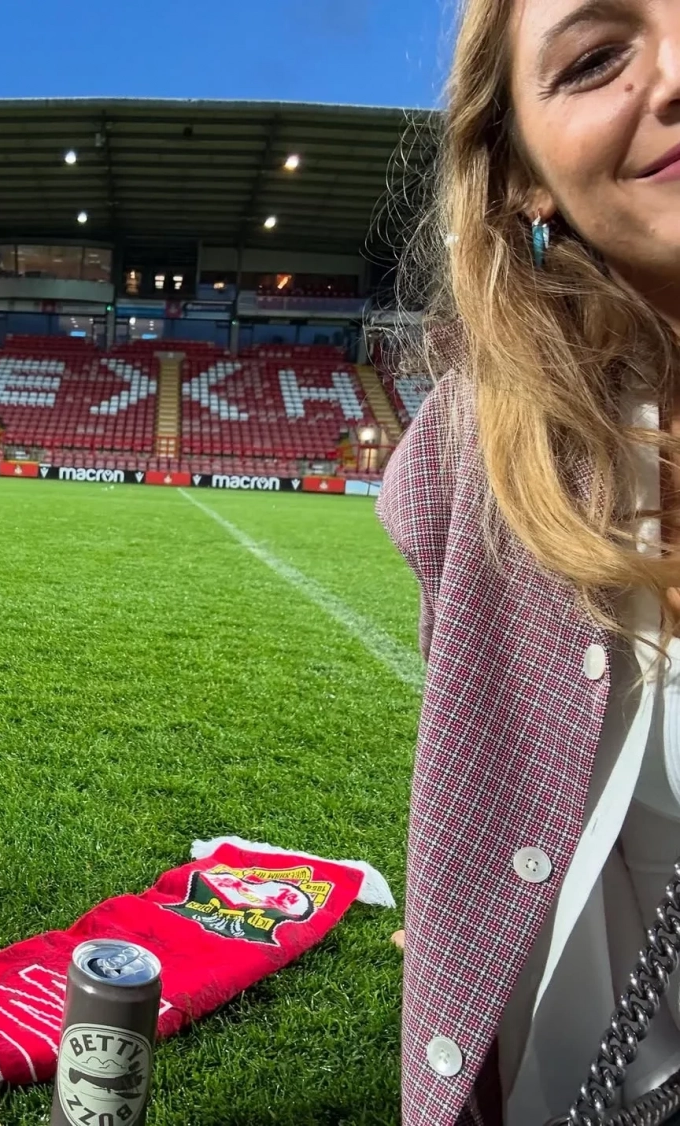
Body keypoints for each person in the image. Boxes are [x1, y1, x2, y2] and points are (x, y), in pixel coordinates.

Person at [375, 0, 680, 1123]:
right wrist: (464, 904)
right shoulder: (474, 453)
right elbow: (478, 752)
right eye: (597, 59)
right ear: (522, 179)